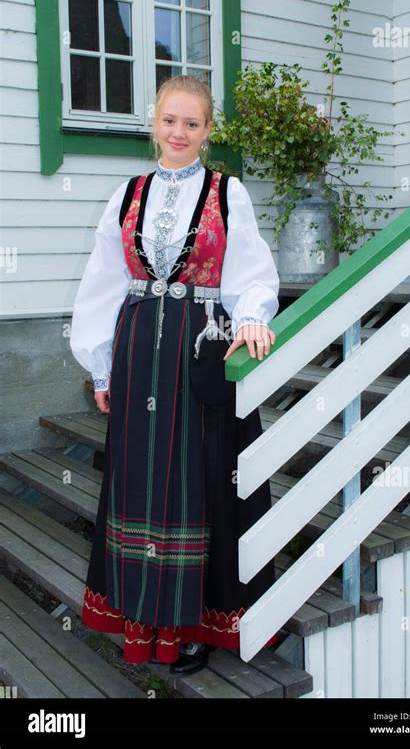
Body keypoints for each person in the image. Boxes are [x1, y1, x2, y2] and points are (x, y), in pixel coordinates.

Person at [70, 75, 282, 675]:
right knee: (140, 481)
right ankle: (143, 614)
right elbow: (104, 280)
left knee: (197, 480)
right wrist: (101, 363)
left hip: (199, 348)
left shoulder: (226, 193)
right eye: (170, 121)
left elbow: (250, 271)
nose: (179, 133)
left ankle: (191, 625)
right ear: (154, 124)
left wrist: (250, 318)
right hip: (139, 351)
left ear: (208, 131)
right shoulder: (127, 193)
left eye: (192, 123)